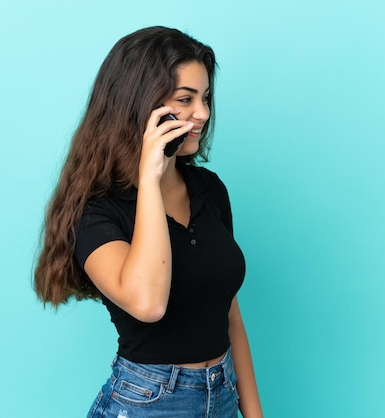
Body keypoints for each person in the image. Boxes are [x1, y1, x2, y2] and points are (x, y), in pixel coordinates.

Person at [34, 26, 263, 418]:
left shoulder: (210, 190)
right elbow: (148, 303)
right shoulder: (95, 211)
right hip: (149, 402)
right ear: (142, 105)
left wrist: (254, 413)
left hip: (222, 394)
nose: (203, 113)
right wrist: (151, 179)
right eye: (186, 99)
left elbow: (229, 313)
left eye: (205, 98)